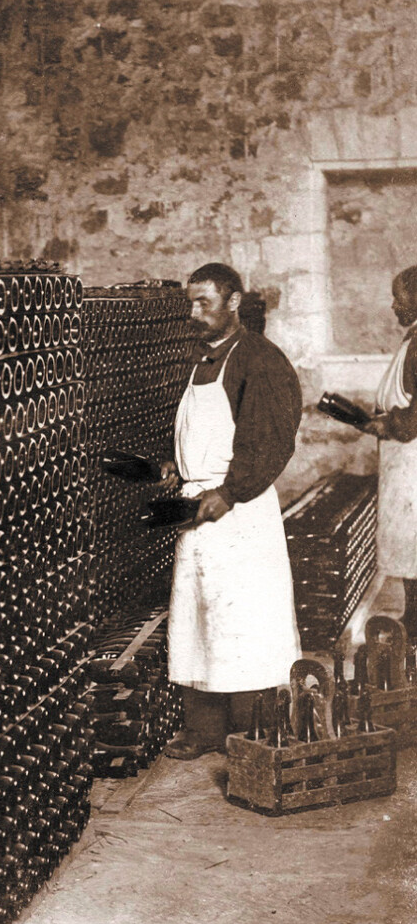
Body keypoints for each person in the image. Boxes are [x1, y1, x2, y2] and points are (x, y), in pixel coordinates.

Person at [160, 262, 303, 759]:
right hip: (198, 508)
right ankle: (203, 730)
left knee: (244, 620)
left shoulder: (258, 359)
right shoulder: (200, 360)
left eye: (205, 302)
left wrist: (229, 493)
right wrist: (174, 468)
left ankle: (250, 729)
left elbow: (274, 440)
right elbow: (199, 436)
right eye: (190, 303)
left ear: (234, 301)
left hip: (239, 513)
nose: (194, 312)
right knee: (200, 616)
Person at [361, 266, 417, 642]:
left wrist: (388, 424)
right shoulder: (411, 341)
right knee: (409, 551)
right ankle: (412, 618)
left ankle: (414, 626)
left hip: (412, 460)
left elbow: (413, 418)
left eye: (399, 296)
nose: (394, 304)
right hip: (402, 461)